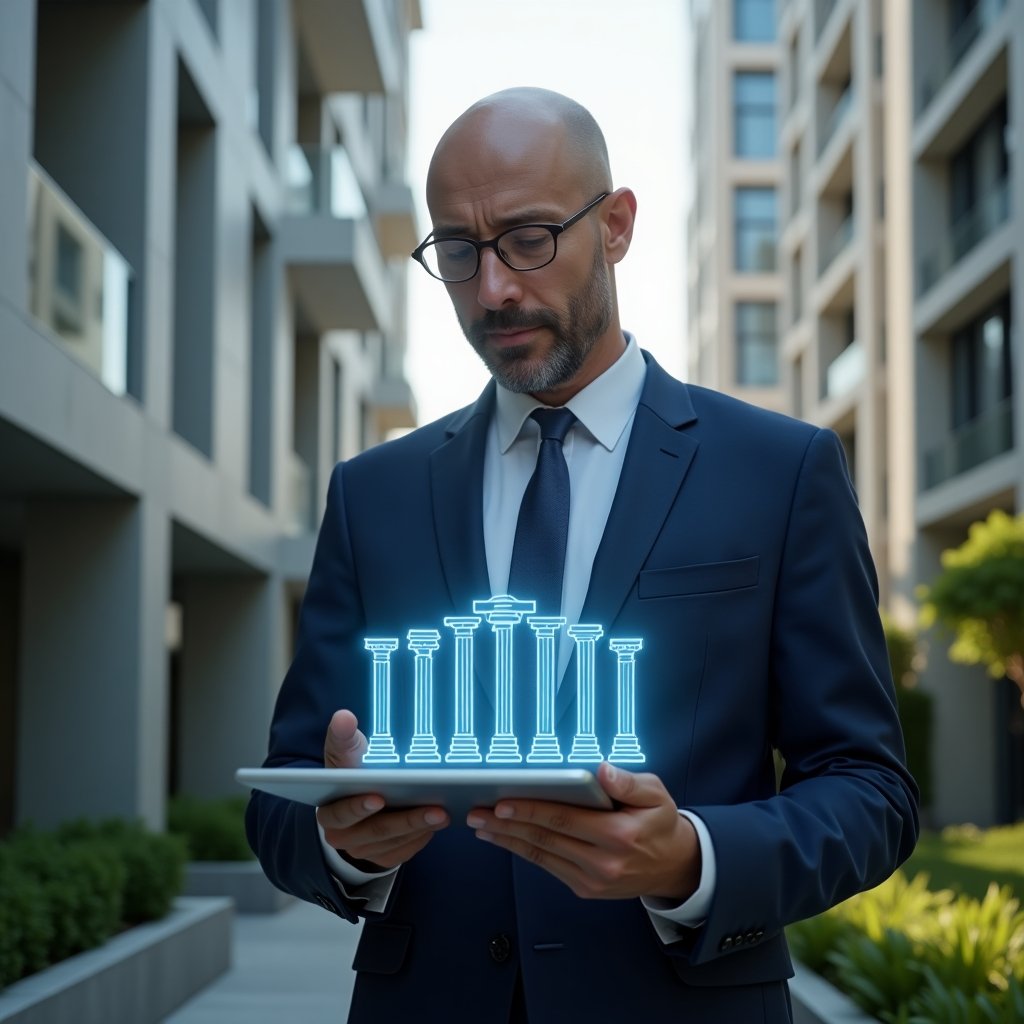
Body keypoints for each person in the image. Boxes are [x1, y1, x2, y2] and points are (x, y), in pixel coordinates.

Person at [246, 87, 919, 1024]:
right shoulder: (374, 494)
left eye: (527, 238)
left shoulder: (780, 471)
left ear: (616, 225)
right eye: (458, 251)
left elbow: (869, 790)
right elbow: (282, 795)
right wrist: (344, 845)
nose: (493, 290)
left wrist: (692, 857)